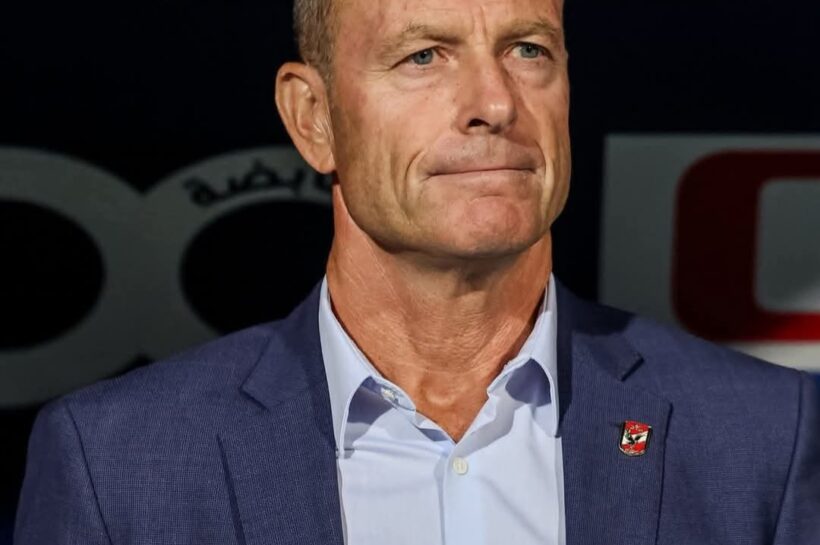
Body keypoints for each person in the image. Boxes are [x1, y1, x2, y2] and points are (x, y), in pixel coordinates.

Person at [15, 0, 820, 543]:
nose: (495, 102)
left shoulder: (762, 440)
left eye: (528, 49)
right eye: (424, 56)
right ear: (313, 118)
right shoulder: (118, 462)